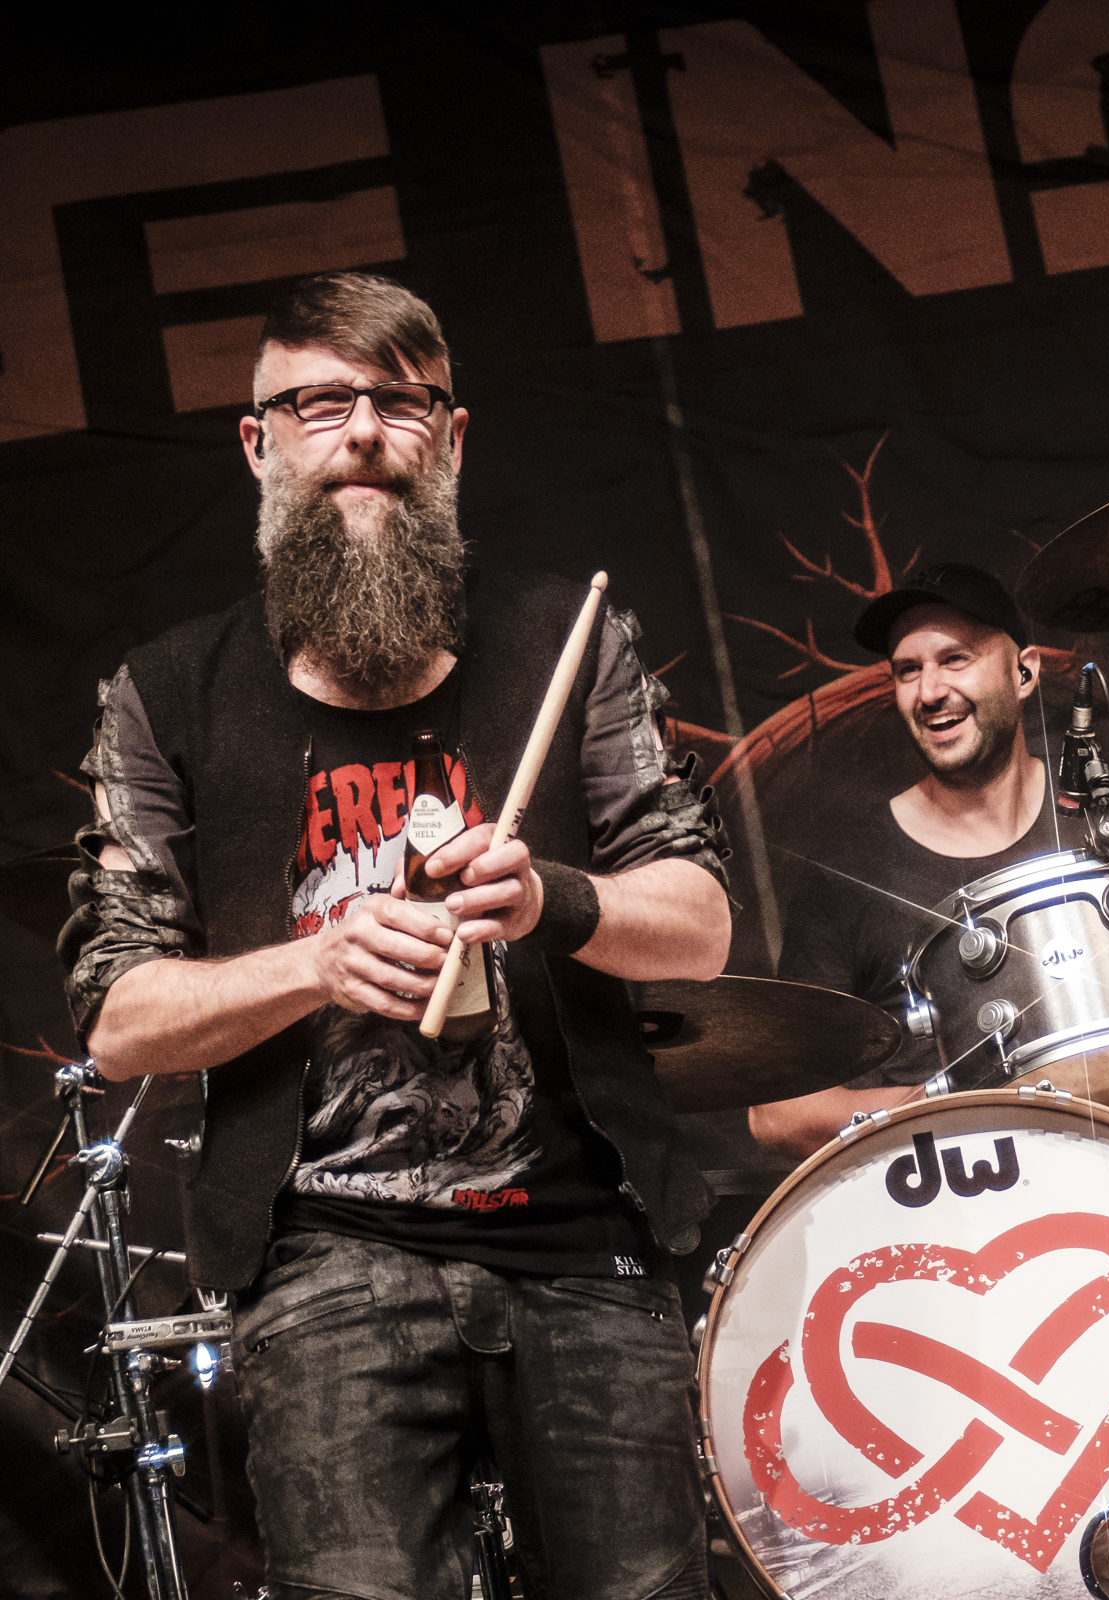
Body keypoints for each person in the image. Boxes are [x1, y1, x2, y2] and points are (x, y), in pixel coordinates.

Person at [60, 272, 731, 1597]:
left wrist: (552, 900)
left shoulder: (570, 640)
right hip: (322, 1255)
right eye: (318, 403)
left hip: (584, 1239)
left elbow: (701, 924)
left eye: (399, 401)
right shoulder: (165, 694)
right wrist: (316, 963)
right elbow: (118, 1019)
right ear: (258, 444)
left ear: (453, 437)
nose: (362, 430)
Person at [748, 562, 1109, 1160]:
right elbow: (777, 1114)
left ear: (1024, 672)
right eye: (907, 670)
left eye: (955, 659)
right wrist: (971, 1103)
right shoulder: (847, 870)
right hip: (962, 1190)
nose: (929, 692)